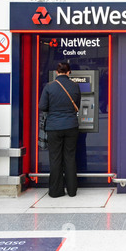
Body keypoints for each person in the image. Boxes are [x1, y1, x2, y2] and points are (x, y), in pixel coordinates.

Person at [39, 63, 81, 198]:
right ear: (69, 72)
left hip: (54, 127)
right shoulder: (75, 86)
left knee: (55, 158)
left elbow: (42, 106)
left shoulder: (49, 86)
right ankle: (72, 191)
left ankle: (56, 191)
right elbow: (77, 106)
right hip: (71, 126)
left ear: (57, 72)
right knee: (70, 157)